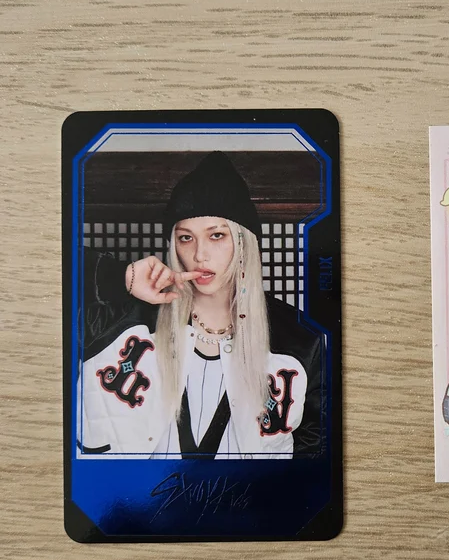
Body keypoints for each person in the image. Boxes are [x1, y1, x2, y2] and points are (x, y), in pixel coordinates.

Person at [76, 151, 322, 459]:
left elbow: (316, 456)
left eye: (216, 235)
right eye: (185, 238)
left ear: (244, 242)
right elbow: (40, 272)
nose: (199, 254)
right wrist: (121, 277)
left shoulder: (301, 341)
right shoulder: (121, 318)